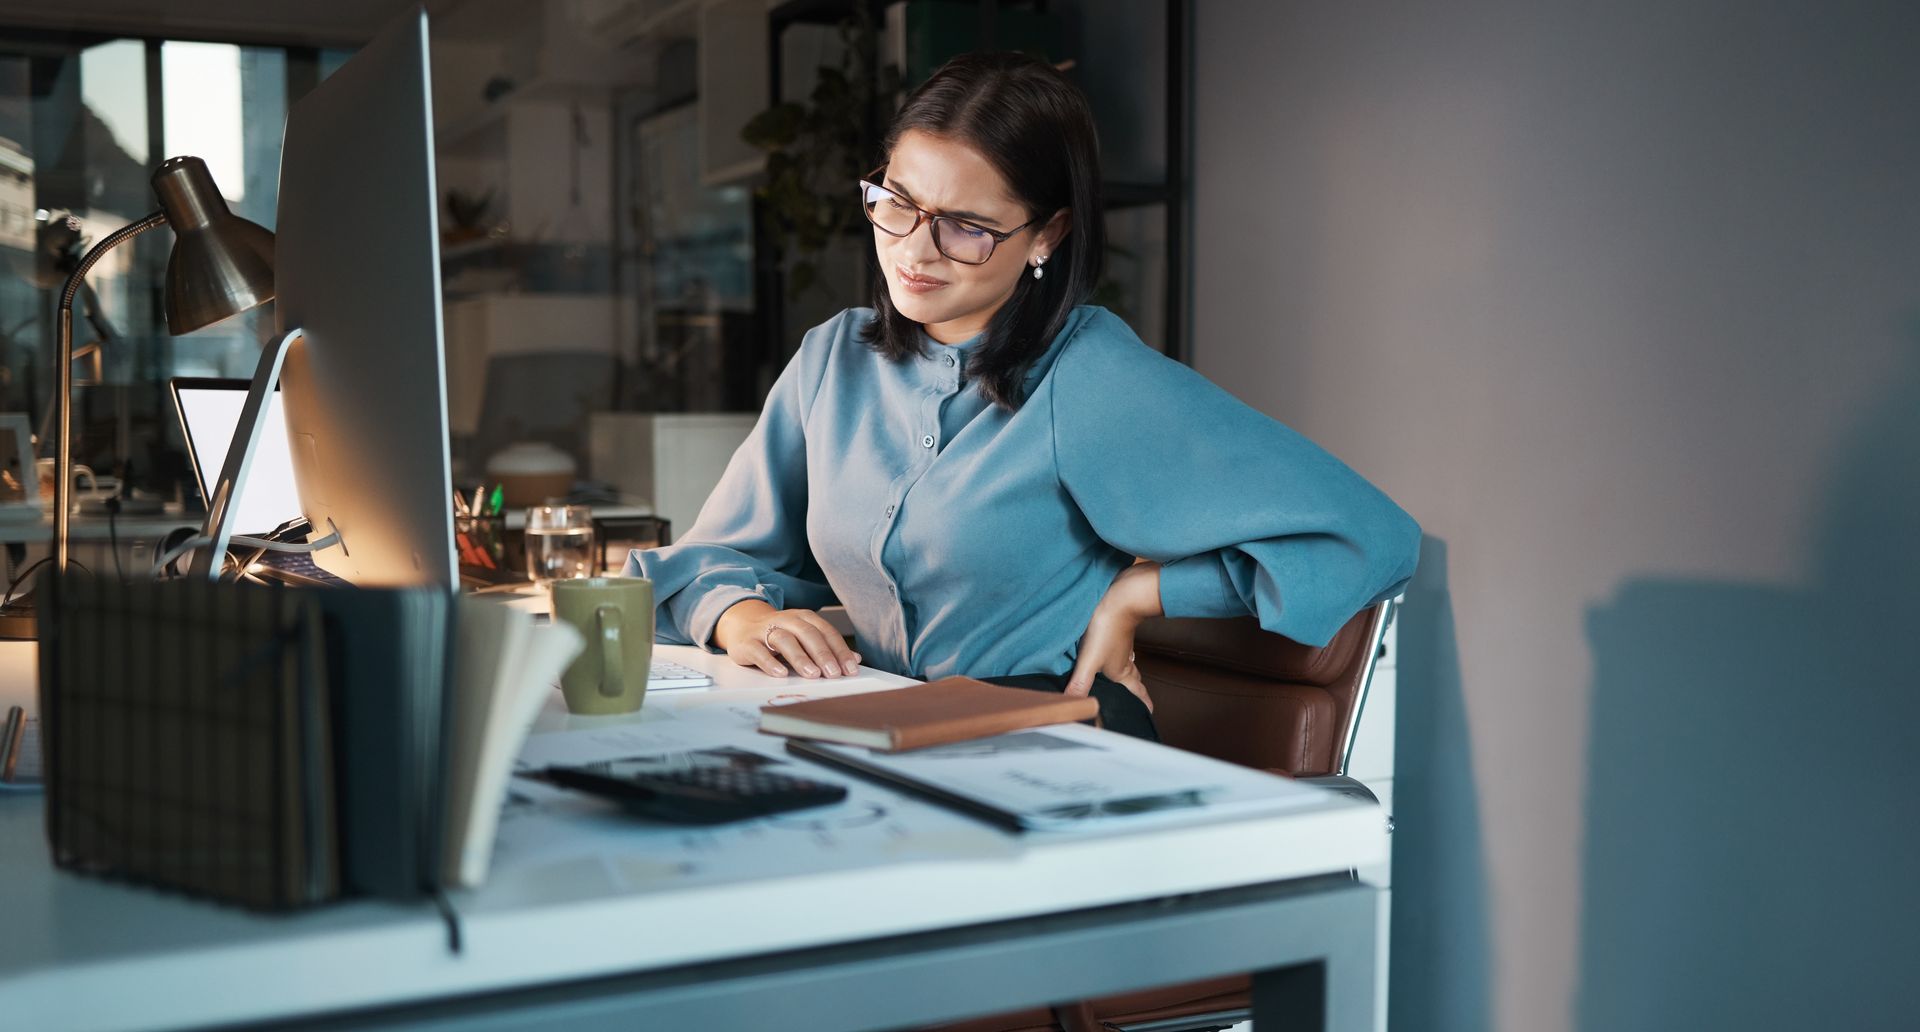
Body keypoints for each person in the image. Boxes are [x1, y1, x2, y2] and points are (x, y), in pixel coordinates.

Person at [629, 52, 1419, 739]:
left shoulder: (1089, 374)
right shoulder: (833, 359)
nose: (913, 250)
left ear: (1046, 235)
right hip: (878, 722)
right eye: (896, 202)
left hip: (1048, 738)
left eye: (966, 227)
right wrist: (744, 616)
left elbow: (1369, 538)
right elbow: (713, 557)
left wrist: (1136, 594)